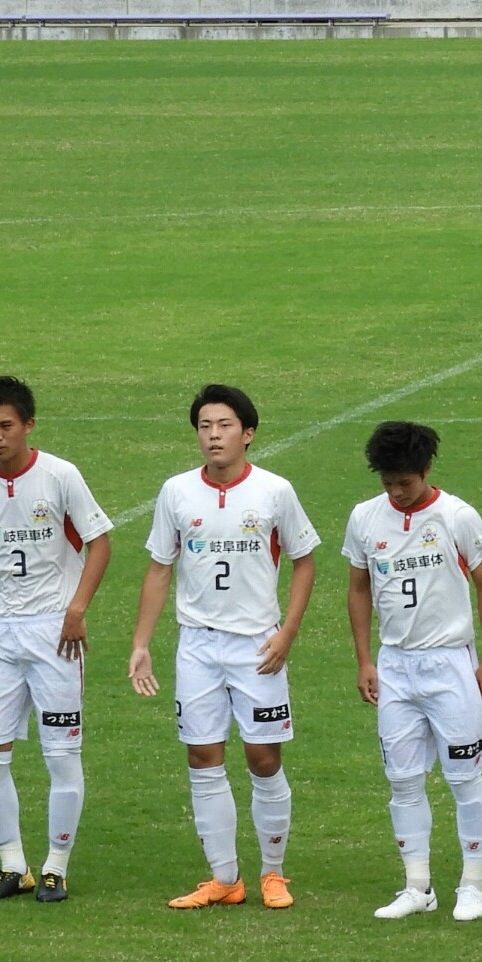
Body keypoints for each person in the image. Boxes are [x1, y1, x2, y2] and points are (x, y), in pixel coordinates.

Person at [130, 384, 319, 912]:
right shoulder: (175, 492)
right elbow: (159, 568)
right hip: (197, 646)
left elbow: (304, 560)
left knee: (262, 757)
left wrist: (287, 633)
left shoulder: (275, 491)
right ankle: (224, 879)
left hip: (258, 646)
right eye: (205, 426)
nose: (213, 435)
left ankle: (274, 873)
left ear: (248, 433)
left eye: (225, 426)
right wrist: (141, 644)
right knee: (202, 756)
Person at [0, 376, 112, 904]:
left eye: (5, 426)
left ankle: (56, 864)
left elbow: (100, 543)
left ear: (28, 425)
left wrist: (76, 610)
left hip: (54, 634)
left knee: (61, 754)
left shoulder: (60, 476)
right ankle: (13, 865)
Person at [340, 421, 482, 921]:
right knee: (403, 780)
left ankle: (471, 886)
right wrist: (365, 659)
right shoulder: (365, 518)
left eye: (404, 483)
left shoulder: (457, 517)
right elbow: (359, 588)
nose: (396, 492)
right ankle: (418, 886)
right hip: (396, 668)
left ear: (426, 470)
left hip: (451, 663)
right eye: (388, 482)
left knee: (463, 779)